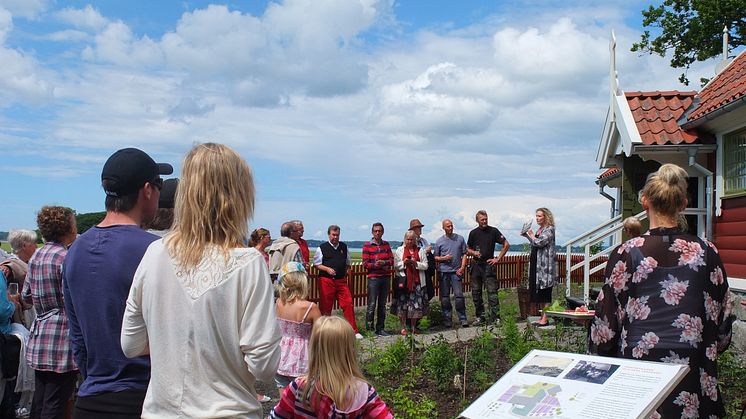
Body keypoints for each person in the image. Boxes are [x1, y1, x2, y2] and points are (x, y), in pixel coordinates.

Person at [120, 142, 281, 418]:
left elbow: (131, 344)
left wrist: (171, 344)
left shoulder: (154, 253)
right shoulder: (247, 263)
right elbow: (263, 365)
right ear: (240, 196)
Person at [589, 164, 735, 419]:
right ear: (683, 203)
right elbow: (722, 322)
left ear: (645, 201)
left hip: (639, 369)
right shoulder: (707, 251)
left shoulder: (627, 252)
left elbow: (605, 327)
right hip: (693, 370)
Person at [63, 147, 172, 419]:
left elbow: (78, 337)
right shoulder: (155, 250)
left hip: (91, 398)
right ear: (147, 190)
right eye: (159, 186)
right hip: (144, 397)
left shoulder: (75, 251)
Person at [269, 316, 393, 419]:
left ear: (315, 350)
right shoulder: (363, 392)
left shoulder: (299, 388)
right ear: (350, 351)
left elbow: (276, 417)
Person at [24, 206, 79, 419]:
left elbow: (27, 296)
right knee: (55, 402)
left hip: (40, 333)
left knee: (40, 400)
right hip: (62, 336)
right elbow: (73, 298)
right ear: (67, 228)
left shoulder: (37, 254)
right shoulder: (66, 257)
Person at [274, 262, 320, 396]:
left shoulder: (279, 303)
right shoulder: (310, 308)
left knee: (285, 402)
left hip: (281, 356)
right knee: (305, 403)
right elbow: (320, 336)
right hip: (303, 360)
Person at [313, 225, 362, 339]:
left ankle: (353, 331)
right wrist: (327, 269)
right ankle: (324, 331)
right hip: (326, 280)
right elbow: (316, 264)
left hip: (341, 281)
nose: (335, 237)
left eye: (337, 235)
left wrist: (343, 272)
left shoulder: (344, 247)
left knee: (348, 303)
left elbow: (348, 262)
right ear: (329, 235)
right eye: (333, 235)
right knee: (326, 306)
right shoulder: (322, 248)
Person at [466, 210, 510, 325]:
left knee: (492, 292)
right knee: (476, 293)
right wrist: (474, 253)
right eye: (482, 219)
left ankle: (496, 318)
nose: (485, 221)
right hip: (476, 265)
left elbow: (506, 244)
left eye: (486, 219)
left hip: (488, 265)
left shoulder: (493, 231)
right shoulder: (473, 233)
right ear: (477, 220)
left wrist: (498, 259)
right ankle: (480, 317)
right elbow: (467, 249)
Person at [521, 208, 557, 327]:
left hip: (545, 266)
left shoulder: (549, 229)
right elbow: (534, 242)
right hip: (537, 263)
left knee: (545, 291)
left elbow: (540, 242)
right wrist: (527, 235)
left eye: (540, 216)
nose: (537, 218)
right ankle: (542, 317)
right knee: (539, 291)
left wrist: (531, 235)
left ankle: (545, 318)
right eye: (536, 216)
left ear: (546, 217)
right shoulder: (540, 229)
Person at [433, 219, 469, 328]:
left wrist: (462, 267)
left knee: (459, 296)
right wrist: (444, 258)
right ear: (443, 228)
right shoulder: (439, 241)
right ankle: (447, 319)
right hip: (444, 272)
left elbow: (465, 254)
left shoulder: (460, 239)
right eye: (448, 226)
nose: (450, 228)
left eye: (451, 226)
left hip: (456, 272)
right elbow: (435, 257)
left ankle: (463, 319)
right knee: (445, 297)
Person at [361, 223, 394, 336]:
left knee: (382, 304)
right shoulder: (367, 246)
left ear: (383, 232)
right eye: (375, 231)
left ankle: (380, 329)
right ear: (372, 232)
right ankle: (370, 331)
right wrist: (377, 265)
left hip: (385, 278)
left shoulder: (386, 244)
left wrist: (384, 262)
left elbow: (392, 260)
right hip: (373, 278)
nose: (378, 233)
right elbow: (365, 264)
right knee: (371, 304)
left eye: (379, 231)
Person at [393, 231, 429, 335]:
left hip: (417, 282)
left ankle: (413, 327)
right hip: (404, 282)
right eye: (408, 239)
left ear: (415, 240)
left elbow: (425, 265)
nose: (410, 241)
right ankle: (403, 328)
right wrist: (404, 263)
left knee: (415, 306)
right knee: (402, 305)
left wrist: (415, 263)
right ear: (404, 240)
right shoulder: (400, 250)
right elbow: (396, 265)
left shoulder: (420, 250)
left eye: (412, 239)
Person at [408, 219, 435, 301]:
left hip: (426, 270)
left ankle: (425, 310)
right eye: (417, 228)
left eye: (420, 227)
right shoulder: (409, 241)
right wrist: (425, 251)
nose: (420, 229)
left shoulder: (423, 240)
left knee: (428, 292)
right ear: (412, 230)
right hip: (415, 272)